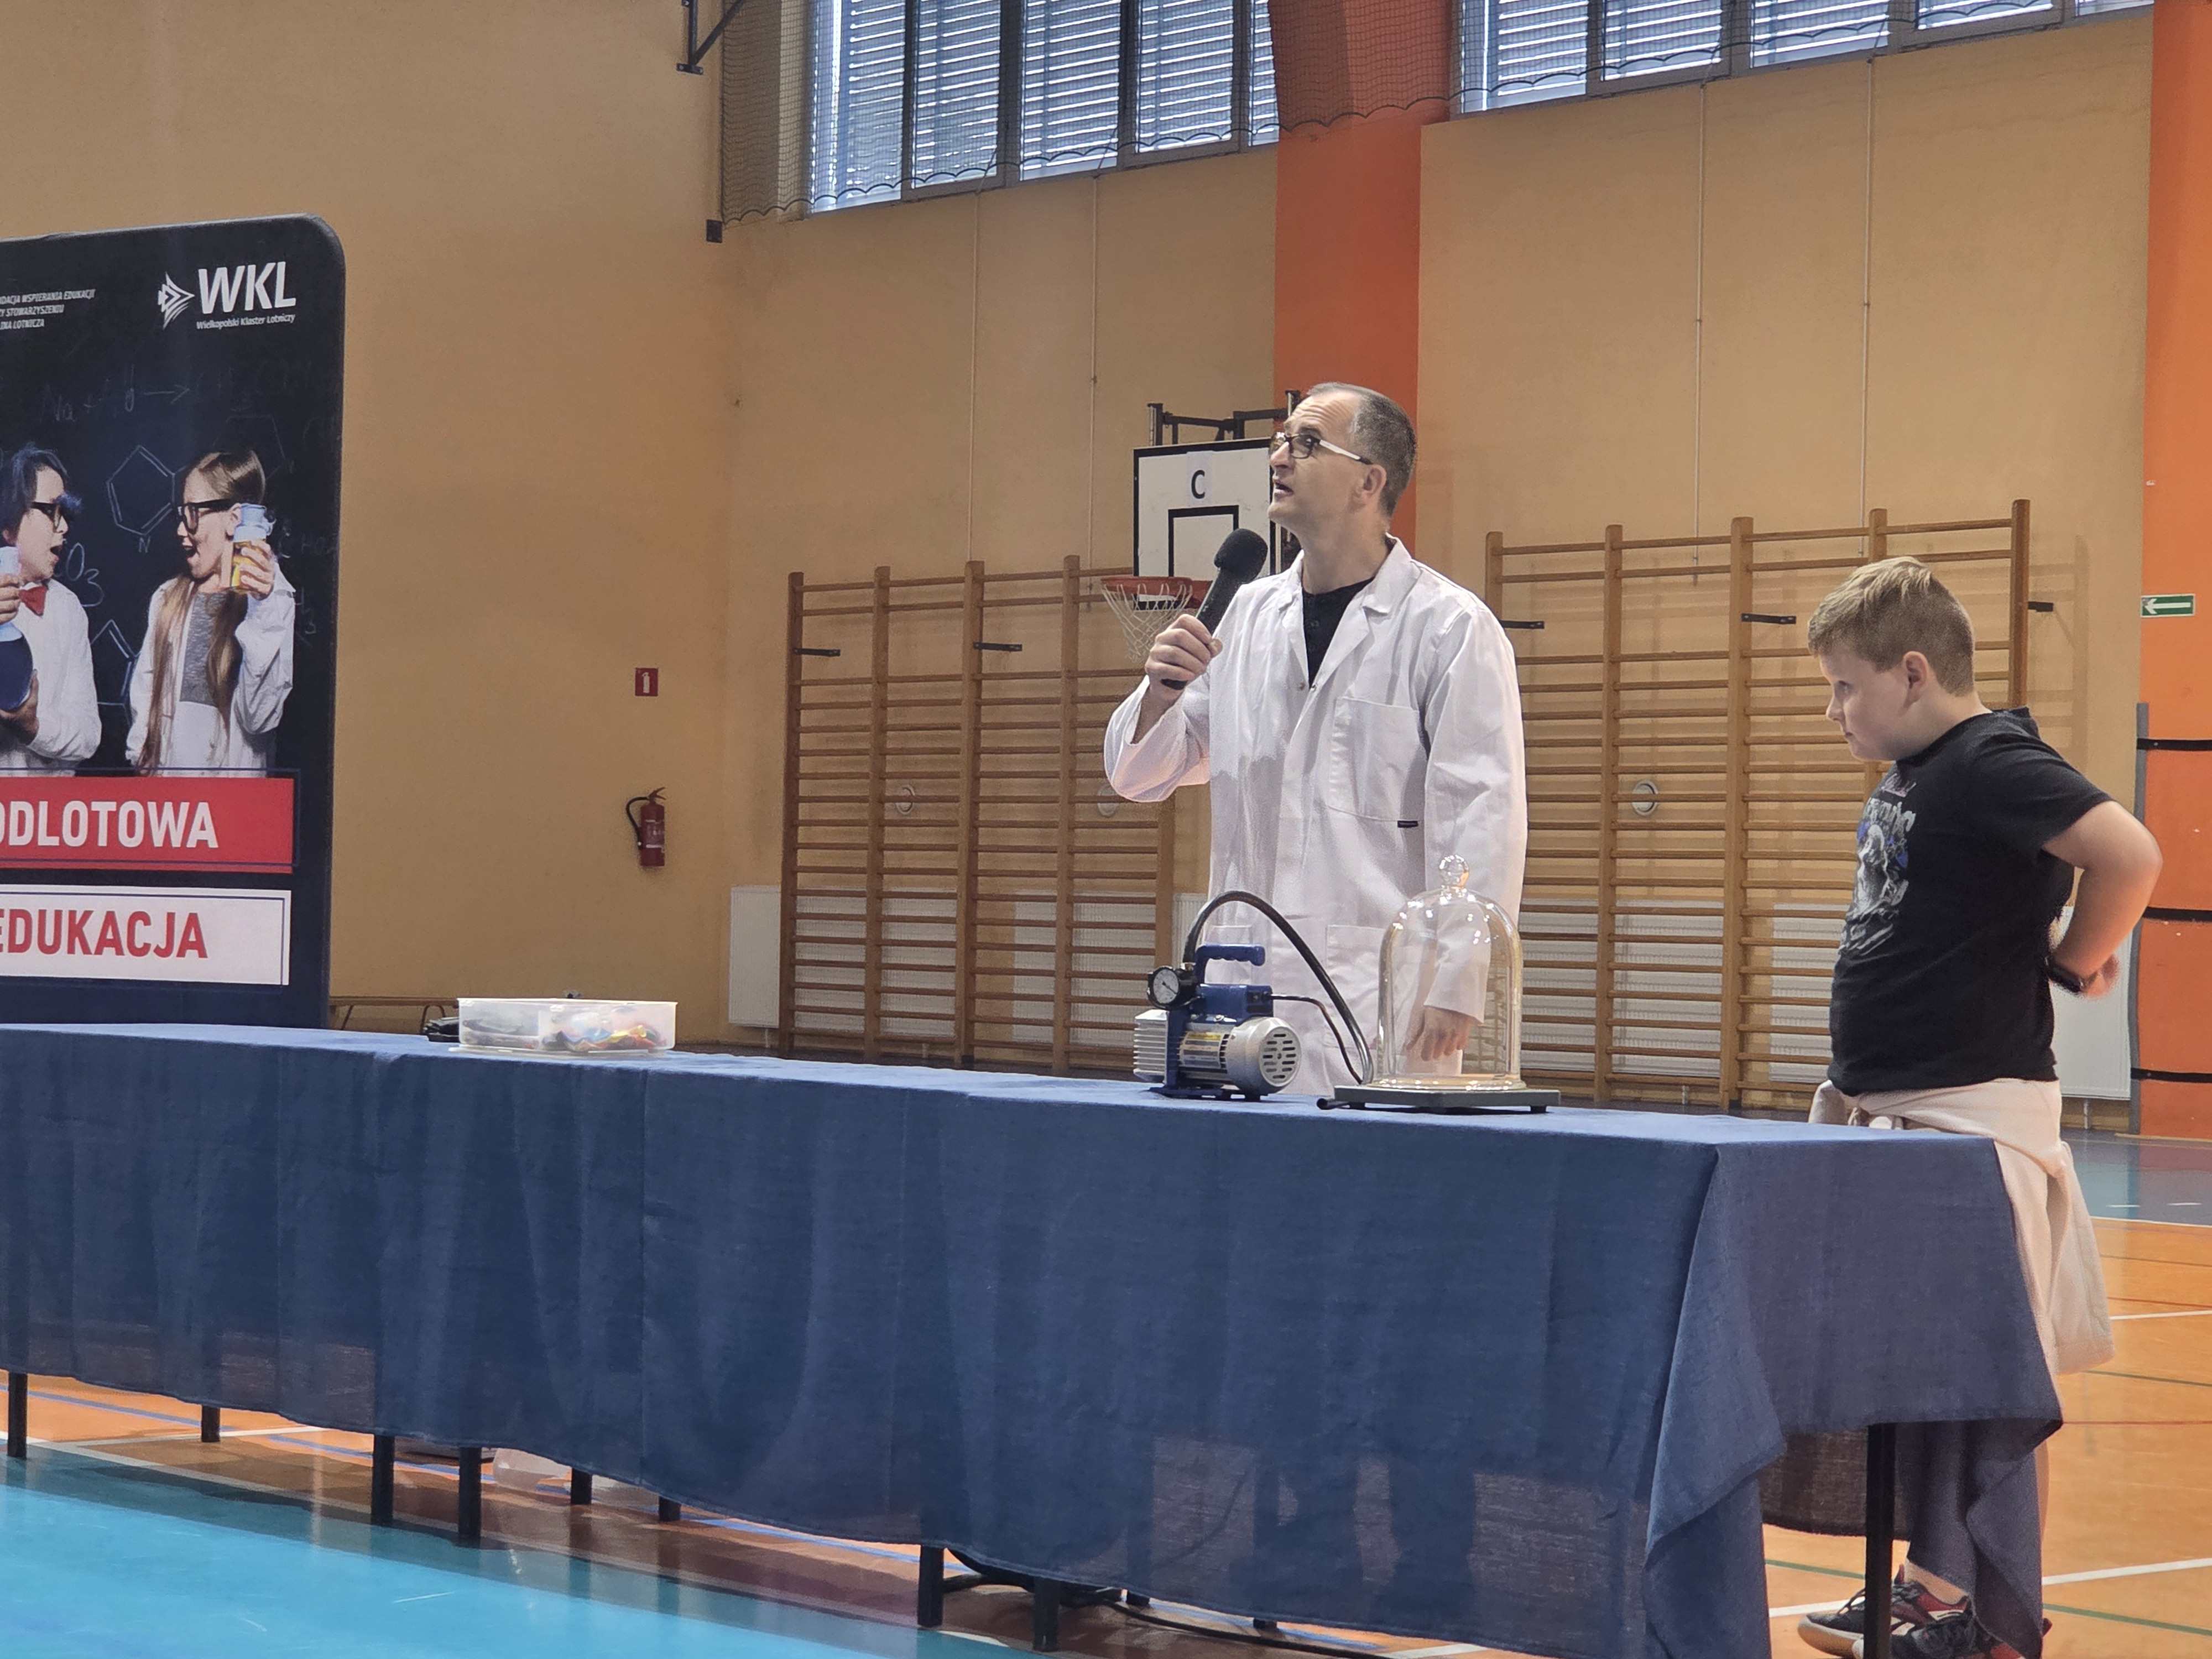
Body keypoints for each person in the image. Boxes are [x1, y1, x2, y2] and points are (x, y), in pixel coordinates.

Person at [1794, 559, 2161, 1659]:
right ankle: (1932, 1586)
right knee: (1930, 1377)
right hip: (1907, 1116)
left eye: (1845, 686)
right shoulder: (1926, 770)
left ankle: (1987, 1615)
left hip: (1967, 1122)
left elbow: (2129, 853)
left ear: (1913, 672)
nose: (1832, 710)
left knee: (1987, 1379)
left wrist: (2075, 957)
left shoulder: (1988, 756)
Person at [1103, 383, 1527, 1092]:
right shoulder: (1243, 616)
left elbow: (1482, 812)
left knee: (1370, 1161)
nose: (1278, 457)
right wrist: (1161, 695)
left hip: (1379, 983)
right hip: (1240, 980)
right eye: (1280, 442)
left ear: (1369, 482)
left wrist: (1460, 981)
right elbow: (1139, 776)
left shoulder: (1449, 627)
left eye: (1305, 444)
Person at [128, 448, 295, 775]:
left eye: (193, 513)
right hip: (172, 796)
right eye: (182, 514)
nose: (181, 530)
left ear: (234, 519)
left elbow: (259, 718)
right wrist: (141, 761)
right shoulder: (167, 600)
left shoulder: (272, 602)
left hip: (232, 797)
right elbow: (145, 696)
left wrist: (264, 608)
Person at [0, 445, 100, 773]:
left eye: (65, 513)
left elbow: (88, 735)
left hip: (46, 802)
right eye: (50, 511)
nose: (64, 527)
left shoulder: (68, 610)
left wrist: (33, 728)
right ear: (9, 524)